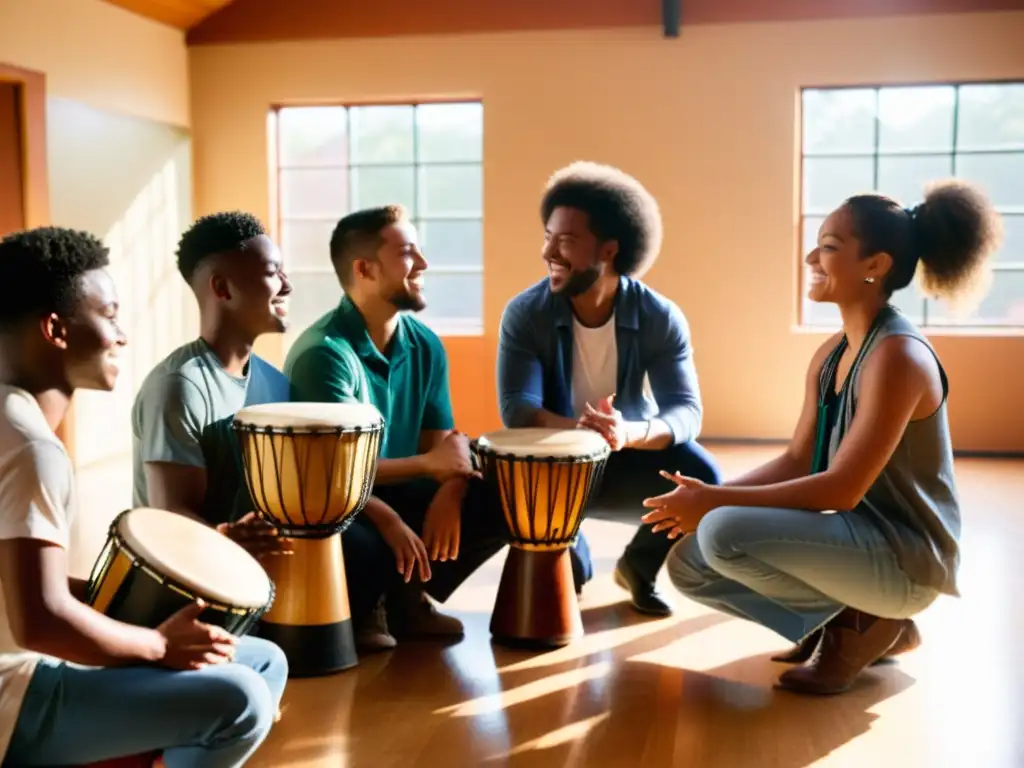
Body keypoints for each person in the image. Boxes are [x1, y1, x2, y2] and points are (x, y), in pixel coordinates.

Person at [650, 180, 1002, 695]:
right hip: (859, 546)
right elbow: (797, 460)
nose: (812, 256)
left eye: (830, 247)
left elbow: (841, 490)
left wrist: (716, 501)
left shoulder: (898, 357)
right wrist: (698, 501)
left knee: (722, 530)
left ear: (875, 265)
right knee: (689, 562)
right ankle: (865, 623)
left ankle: (857, 630)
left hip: (907, 560)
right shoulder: (833, 355)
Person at [0, 226, 288, 766]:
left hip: (29, 668)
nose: (122, 335)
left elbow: (18, 581)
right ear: (56, 329)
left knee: (260, 658)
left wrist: (136, 618)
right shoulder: (31, 449)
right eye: (109, 315)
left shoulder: (11, 423)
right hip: (15, 697)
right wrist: (157, 644)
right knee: (240, 697)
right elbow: (38, 621)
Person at [497, 161, 723, 617]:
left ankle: (638, 567)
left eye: (566, 240)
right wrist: (579, 432)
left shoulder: (660, 317)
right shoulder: (525, 313)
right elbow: (517, 409)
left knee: (703, 476)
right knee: (569, 580)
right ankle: (571, 552)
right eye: (548, 236)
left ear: (610, 250)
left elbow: (686, 412)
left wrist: (627, 433)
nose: (549, 252)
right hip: (557, 465)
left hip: (625, 454)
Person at [284, 205, 507, 649]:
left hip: (396, 487)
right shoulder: (324, 354)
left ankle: (409, 598)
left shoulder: (424, 343)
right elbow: (334, 472)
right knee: (357, 541)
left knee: (503, 492)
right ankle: (366, 605)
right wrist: (401, 503)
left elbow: (441, 447)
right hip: (337, 498)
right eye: (408, 253)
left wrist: (451, 488)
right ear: (364, 269)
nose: (423, 264)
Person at [131, 211, 293, 556]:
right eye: (271, 273)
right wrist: (227, 538)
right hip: (189, 592)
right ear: (221, 288)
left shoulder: (276, 384)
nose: (287, 285)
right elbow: (169, 516)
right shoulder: (178, 387)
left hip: (254, 579)